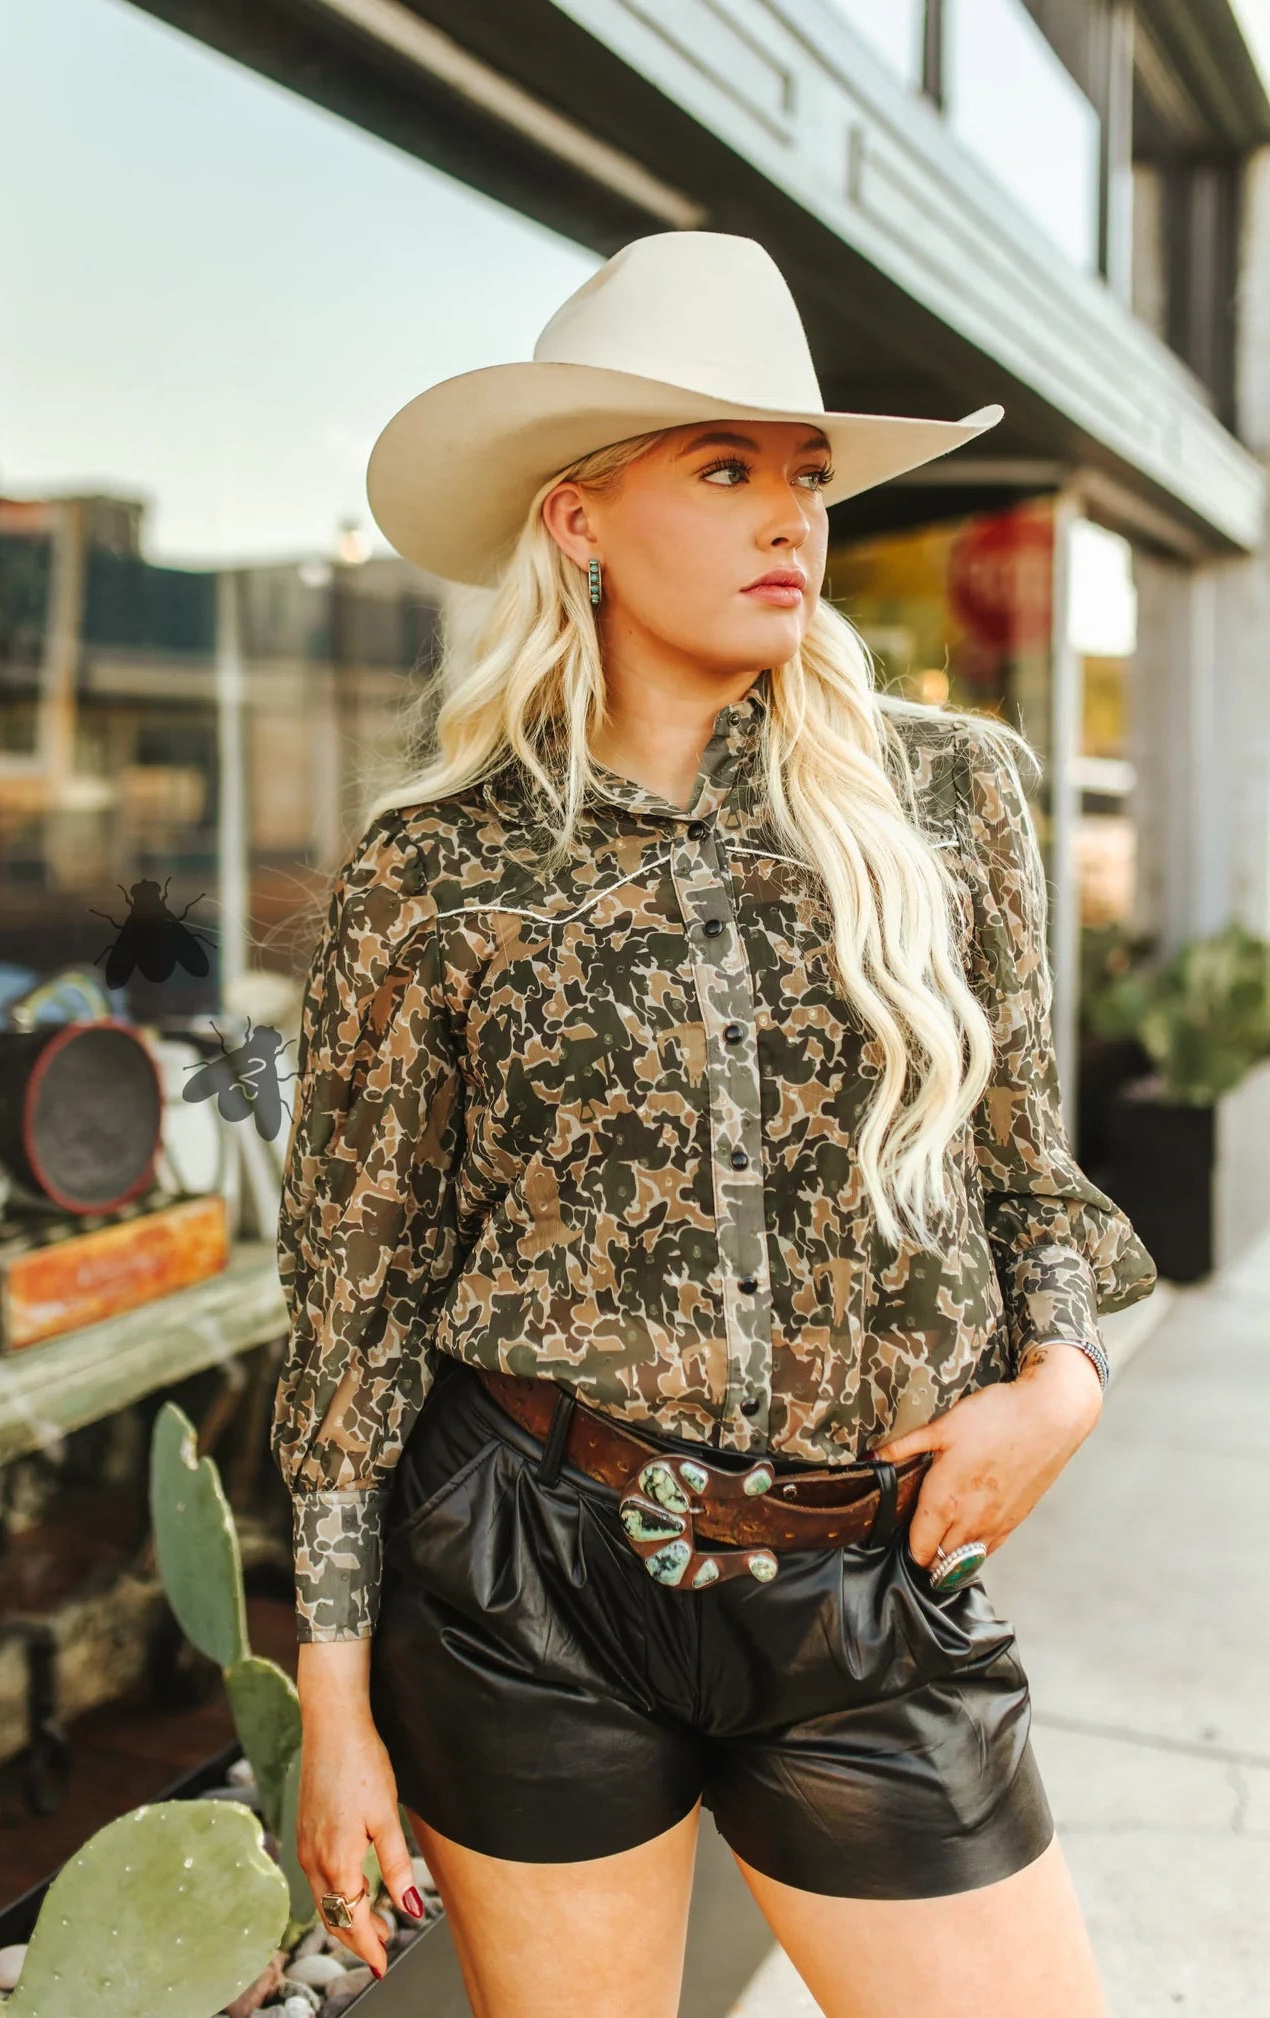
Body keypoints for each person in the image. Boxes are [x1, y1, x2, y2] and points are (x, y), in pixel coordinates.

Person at [271, 231, 1157, 2017]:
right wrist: (337, 1710)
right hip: (526, 1582)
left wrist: (1063, 1375)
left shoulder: (945, 793)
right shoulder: (436, 868)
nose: (788, 520)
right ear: (580, 521)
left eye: (806, 475)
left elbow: (1023, 1169)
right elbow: (350, 1311)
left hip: (865, 1587)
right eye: (725, 467)